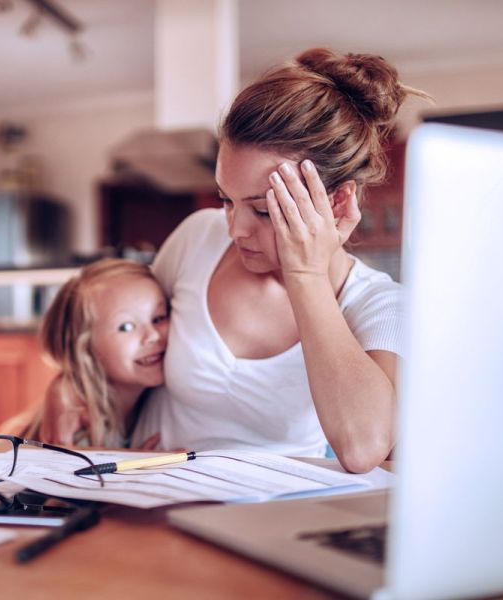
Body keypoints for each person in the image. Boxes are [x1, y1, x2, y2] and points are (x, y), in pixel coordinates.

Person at [126, 48, 429, 473]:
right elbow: (121, 343)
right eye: (227, 200)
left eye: (264, 210)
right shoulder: (200, 235)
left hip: (262, 514)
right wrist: (72, 390)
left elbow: (363, 448)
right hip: (142, 493)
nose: (235, 229)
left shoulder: (381, 306)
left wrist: (304, 273)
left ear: (338, 201)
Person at [4, 258, 169, 448]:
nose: (152, 335)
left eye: (159, 318)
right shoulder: (78, 422)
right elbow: (71, 476)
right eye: (126, 326)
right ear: (84, 347)